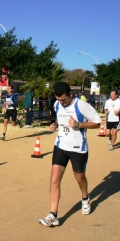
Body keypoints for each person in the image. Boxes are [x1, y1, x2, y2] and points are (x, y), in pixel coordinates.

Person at [39, 82, 101, 227]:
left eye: (63, 99)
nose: (61, 102)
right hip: (61, 146)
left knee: (79, 177)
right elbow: (59, 118)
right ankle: (53, 215)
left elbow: (97, 123)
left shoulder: (81, 105)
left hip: (78, 148)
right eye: (58, 99)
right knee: (54, 179)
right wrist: (55, 124)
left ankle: (85, 198)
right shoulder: (57, 104)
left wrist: (79, 125)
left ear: (70, 95)